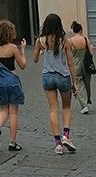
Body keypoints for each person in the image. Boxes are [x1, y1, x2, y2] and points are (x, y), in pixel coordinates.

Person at [33, 13, 77, 154]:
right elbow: (70, 63)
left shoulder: (40, 41)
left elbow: (34, 59)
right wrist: (74, 82)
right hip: (62, 76)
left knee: (53, 109)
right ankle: (66, 136)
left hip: (48, 77)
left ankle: (57, 144)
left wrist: (41, 52)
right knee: (66, 107)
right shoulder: (65, 42)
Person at [0, 19, 27, 152]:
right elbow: (23, 65)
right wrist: (23, 51)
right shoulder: (13, 48)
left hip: (0, 82)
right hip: (13, 80)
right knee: (13, 112)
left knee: (3, 110)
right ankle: (12, 142)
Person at [69, 20, 95, 113]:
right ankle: (87, 99)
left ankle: (84, 105)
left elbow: (67, 55)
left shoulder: (70, 41)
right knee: (87, 83)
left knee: (79, 83)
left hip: (76, 64)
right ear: (81, 30)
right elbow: (91, 53)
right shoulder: (85, 39)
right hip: (86, 64)